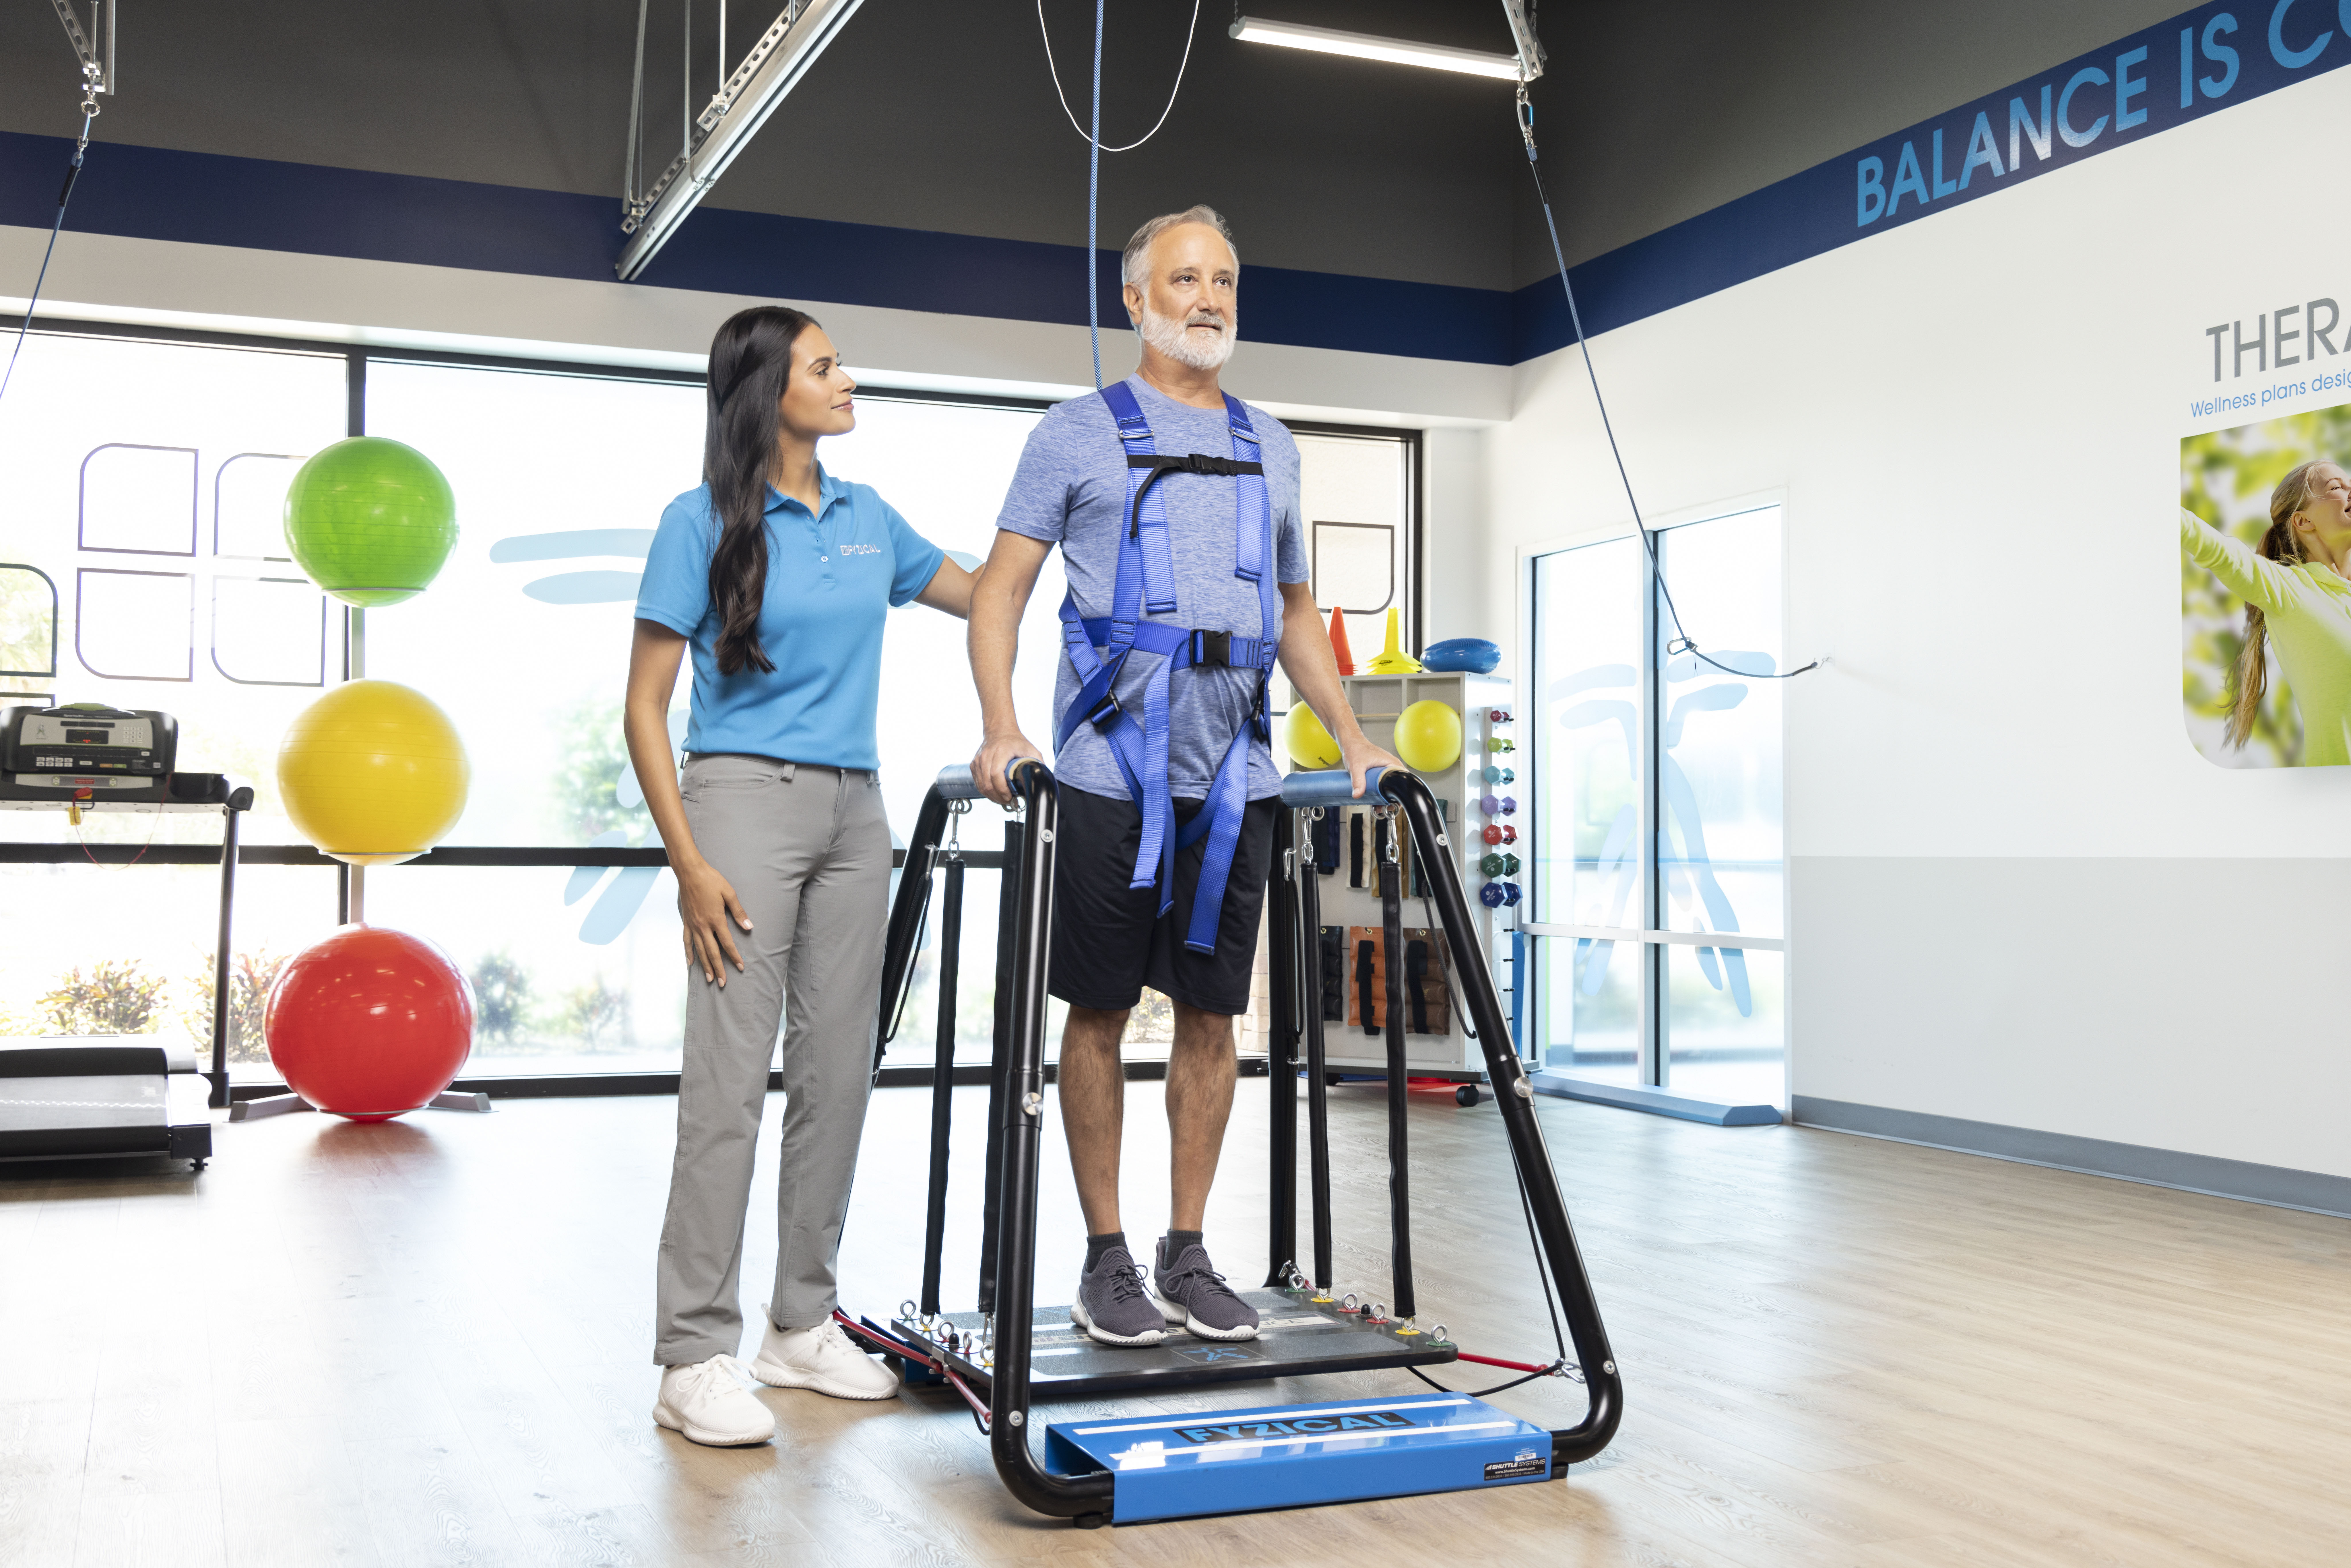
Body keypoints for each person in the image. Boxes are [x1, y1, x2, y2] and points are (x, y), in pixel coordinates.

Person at [967, 205, 1401, 1346]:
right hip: (1107, 771)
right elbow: (1001, 590)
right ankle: (1105, 1257)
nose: (1209, 299)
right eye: (1184, 280)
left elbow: (1294, 609)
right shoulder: (1073, 434)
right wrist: (1002, 726)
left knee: (1213, 1016)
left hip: (1236, 777)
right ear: (1135, 299)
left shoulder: (1274, 444)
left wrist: (1351, 738)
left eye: (1223, 281)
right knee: (1100, 1009)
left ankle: (1188, 1249)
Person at [624, 304, 978, 1446]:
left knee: (837, 1073)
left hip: (856, 810)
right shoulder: (698, 522)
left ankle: (799, 1323)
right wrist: (688, 862)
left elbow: (986, 593)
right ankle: (692, 1353)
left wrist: (1078, 531)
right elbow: (643, 708)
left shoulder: (870, 519)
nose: (846, 379)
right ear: (769, 389)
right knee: (727, 1086)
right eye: (825, 366)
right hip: (740, 804)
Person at [2181, 459, 2351, 764]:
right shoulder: (2287, 587)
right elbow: (2219, 551)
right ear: (2303, 521)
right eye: (2336, 487)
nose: (2349, 490)